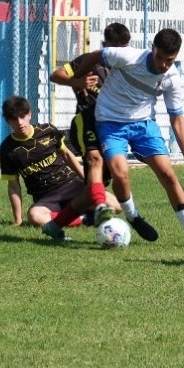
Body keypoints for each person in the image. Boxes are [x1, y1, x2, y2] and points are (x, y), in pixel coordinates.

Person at [72, 28, 184, 248]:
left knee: (168, 174)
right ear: (152, 48)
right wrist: (78, 78)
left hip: (144, 124)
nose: (164, 64)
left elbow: (176, 119)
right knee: (121, 174)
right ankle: (133, 216)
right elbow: (96, 56)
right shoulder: (127, 56)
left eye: (170, 60)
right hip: (110, 122)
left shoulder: (171, 78)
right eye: (161, 58)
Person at [0, 95, 121, 241]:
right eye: (14, 119)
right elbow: (13, 186)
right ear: (7, 121)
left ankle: (75, 215)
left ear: (29, 114)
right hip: (46, 198)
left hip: (71, 184)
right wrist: (18, 220)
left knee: (115, 206)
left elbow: (68, 156)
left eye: (22, 116)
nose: (20, 122)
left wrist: (87, 181)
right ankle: (85, 218)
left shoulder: (48, 131)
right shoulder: (7, 149)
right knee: (34, 216)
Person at [50, 22, 131, 224]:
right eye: (115, 48)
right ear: (105, 44)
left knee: (100, 190)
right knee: (95, 160)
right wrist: (76, 82)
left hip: (111, 127)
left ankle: (63, 220)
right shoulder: (90, 61)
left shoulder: (129, 67)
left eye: (124, 48)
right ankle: (99, 208)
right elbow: (55, 75)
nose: (119, 53)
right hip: (86, 119)